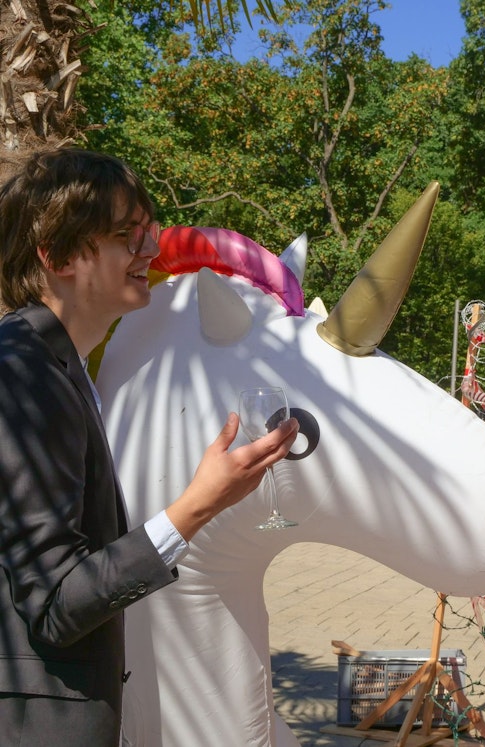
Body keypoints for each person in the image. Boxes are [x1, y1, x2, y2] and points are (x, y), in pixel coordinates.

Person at [0, 148, 299, 744]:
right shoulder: (25, 373)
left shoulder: (60, 368)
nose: (150, 251)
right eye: (124, 235)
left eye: (149, 231)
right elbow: (57, 605)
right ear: (57, 255)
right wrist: (198, 506)